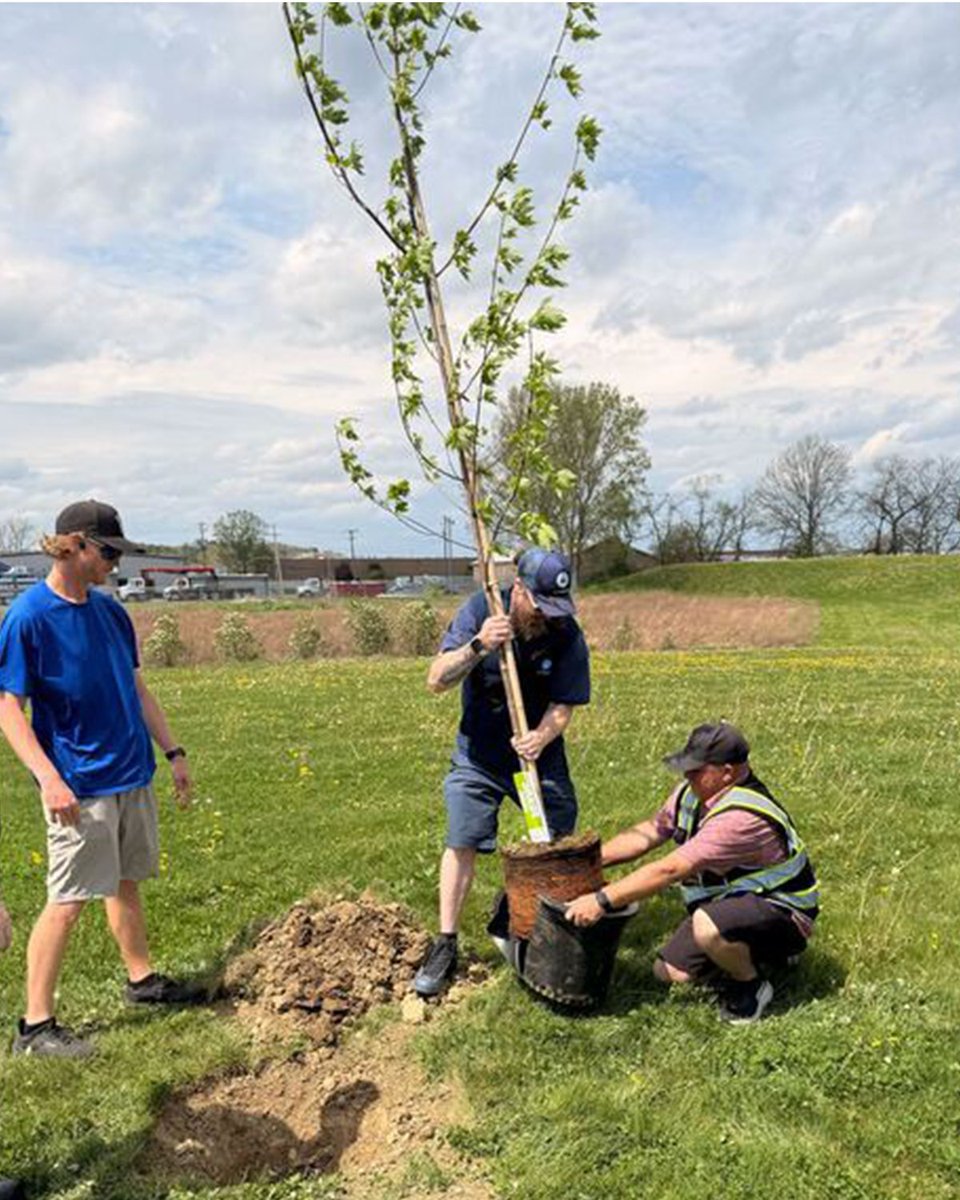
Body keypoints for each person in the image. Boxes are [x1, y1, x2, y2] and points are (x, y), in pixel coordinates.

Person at [0, 500, 203, 1059]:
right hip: (79, 783)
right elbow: (8, 708)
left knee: (126, 881)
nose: (115, 563)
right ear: (75, 546)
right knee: (67, 900)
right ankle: (34, 1027)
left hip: (130, 772)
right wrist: (47, 777)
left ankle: (141, 981)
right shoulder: (28, 617)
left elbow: (136, 690)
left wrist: (172, 750)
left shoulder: (111, 612)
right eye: (108, 552)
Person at [414, 549, 591, 997]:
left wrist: (541, 737)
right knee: (462, 838)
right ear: (519, 590)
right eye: (541, 606)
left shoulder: (566, 632)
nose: (549, 616)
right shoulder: (479, 610)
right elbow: (435, 680)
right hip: (478, 755)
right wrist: (478, 645)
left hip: (534, 758)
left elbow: (563, 704)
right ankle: (446, 943)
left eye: (558, 608)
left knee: (552, 839)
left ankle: (522, 916)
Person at [566, 722, 819, 1023]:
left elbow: (670, 869)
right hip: (736, 903)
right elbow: (650, 831)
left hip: (785, 912)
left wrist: (602, 900)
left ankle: (751, 985)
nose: (687, 775)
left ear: (727, 772)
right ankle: (760, 953)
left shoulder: (740, 818)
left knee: (706, 924)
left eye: (696, 769)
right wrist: (586, 863)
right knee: (669, 972)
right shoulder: (691, 793)